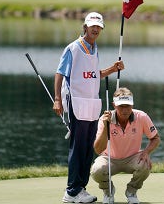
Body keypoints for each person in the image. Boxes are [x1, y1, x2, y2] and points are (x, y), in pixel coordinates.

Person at [54, 12, 125, 203]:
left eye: (98, 27)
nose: (95, 29)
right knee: (77, 148)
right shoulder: (73, 48)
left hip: (91, 104)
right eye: (92, 26)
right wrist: (57, 100)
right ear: (85, 27)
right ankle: (71, 191)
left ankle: (81, 190)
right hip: (76, 102)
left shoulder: (95, 49)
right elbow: (60, 74)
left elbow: (93, 75)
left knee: (87, 148)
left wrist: (112, 69)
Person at [91, 87, 160, 204]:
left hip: (132, 158)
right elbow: (98, 149)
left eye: (128, 106)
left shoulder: (141, 116)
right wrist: (105, 127)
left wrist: (146, 152)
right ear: (114, 105)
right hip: (109, 159)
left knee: (145, 165)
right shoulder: (104, 119)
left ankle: (131, 192)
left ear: (132, 105)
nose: (125, 110)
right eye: (121, 106)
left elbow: (155, 138)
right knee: (96, 170)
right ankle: (108, 192)